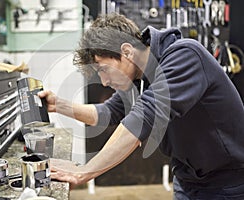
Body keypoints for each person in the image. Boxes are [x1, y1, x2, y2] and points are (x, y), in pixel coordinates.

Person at [38, 13, 244, 199]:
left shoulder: (186, 57)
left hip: (226, 182)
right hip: (187, 178)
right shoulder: (138, 78)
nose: (103, 82)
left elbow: (141, 120)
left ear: (126, 51)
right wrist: (59, 105)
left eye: (103, 69)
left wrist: (84, 171)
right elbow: (107, 113)